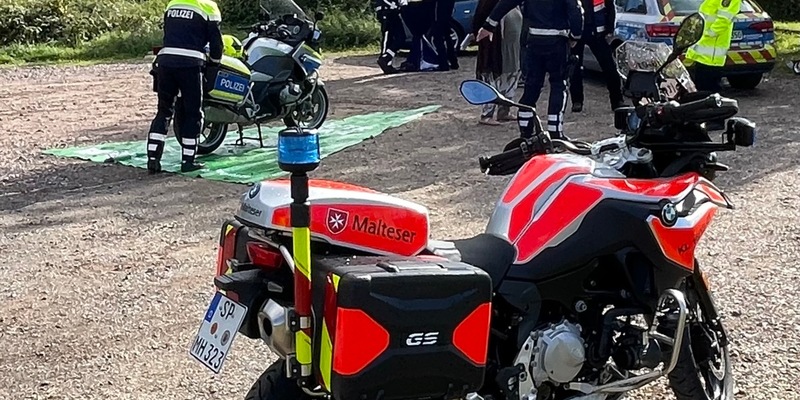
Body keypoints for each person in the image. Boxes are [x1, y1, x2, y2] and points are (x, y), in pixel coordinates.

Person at [477, 0, 583, 140]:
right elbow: (575, 10)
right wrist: (576, 35)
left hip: (534, 39)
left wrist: (489, 25)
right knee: (559, 85)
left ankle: (526, 131)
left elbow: (506, 3)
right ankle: (555, 132)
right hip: (557, 40)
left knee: (531, 86)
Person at [147, 0, 223, 174]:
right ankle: (188, 161)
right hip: (191, 64)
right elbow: (216, 42)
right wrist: (215, 63)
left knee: (164, 111)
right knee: (193, 112)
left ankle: (153, 158)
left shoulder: (172, 4)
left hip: (165, 61)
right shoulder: (208, 7)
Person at [569, 0, 624, 113]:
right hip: (577, 32)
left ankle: (617, 101)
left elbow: (610, 7)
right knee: (575, 69)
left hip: (597, 33)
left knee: (610, 67)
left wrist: (609, 29)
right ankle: (577, 101)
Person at [474, 0, 522, 125]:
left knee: (511, 76)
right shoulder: (488, 2)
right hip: (495, 48)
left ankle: (504, 111)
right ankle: (487, 114)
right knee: (492, 79)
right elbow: (478, 22)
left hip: (513, 47)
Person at [685, 0, 742, 94]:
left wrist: (709, 33)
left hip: (712, 56)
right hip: (704, 55)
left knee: (709, 93)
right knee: (701, 92)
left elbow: (724, 20)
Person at [375, 0, 408, 74]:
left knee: (399, 38)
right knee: (388, 38)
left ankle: (386, 59)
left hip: (394, 12)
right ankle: (386, 61)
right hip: (386, 11)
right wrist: (393, 6)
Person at [431, 0, 459, 71]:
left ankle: (443, 64)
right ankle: (453, 62)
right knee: (447, 37)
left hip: (439, 16)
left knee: (438, 38)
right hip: (447, 16)